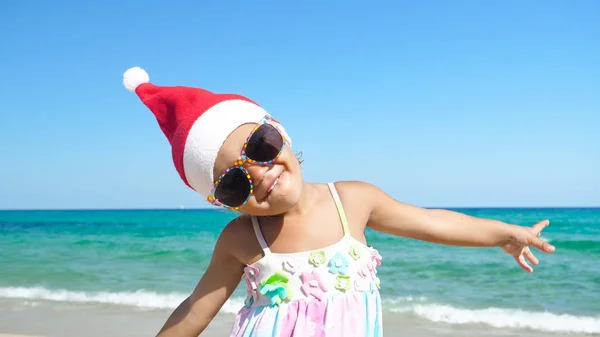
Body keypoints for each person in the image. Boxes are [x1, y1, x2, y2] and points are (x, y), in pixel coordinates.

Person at [122, 67, 556, 337]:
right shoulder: (242, 238)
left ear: (281, 134)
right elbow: (196, 309)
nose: (259, 174)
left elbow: (431, 222)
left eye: (260, 146)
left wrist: (504, 234)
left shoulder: (352, 200)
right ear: (225, 203)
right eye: (234, 184)